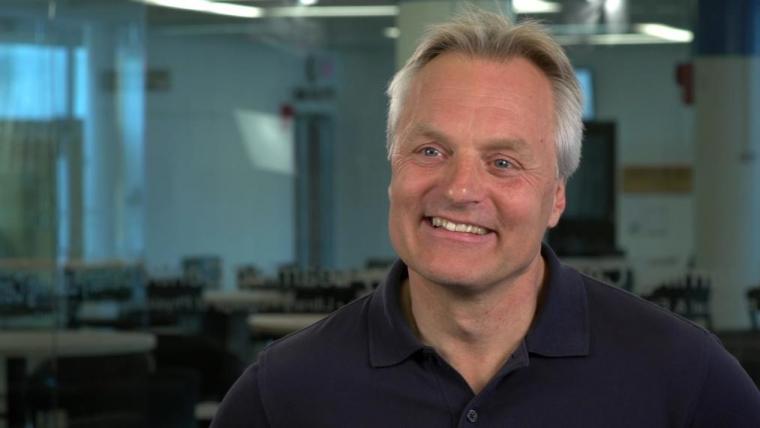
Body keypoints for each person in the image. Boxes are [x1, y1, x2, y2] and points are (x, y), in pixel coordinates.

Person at [211, 8, 760, 427]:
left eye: (503, 162)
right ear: (393, 168)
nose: (460, 189)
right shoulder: (282, 396)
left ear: (557, 198)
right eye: (430, 151)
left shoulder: (685, 380)